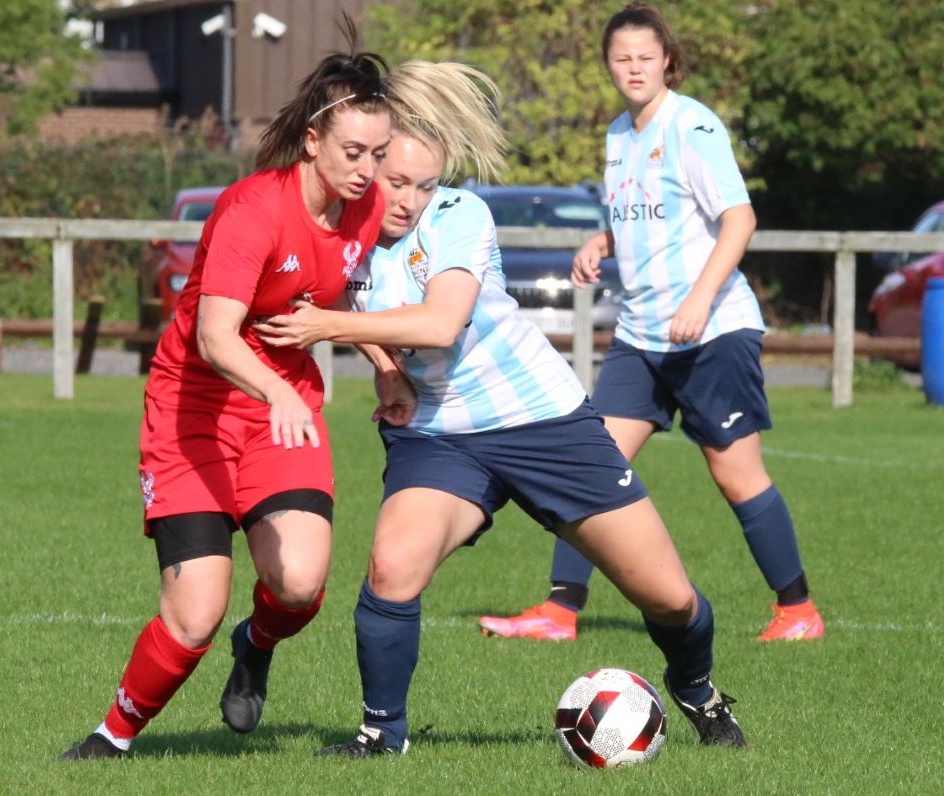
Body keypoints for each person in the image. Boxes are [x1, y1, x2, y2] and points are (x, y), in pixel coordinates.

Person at [254, 59, 747, 756]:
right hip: (439, 436)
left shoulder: (461, 213)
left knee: (667, 598)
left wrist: (328, 332)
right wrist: (387, 371)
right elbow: (335, 294)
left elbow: (438, 323)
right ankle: (380, 736)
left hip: (544, 424)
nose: (409, 199)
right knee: (393, 565)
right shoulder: (340, 230)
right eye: (397, 181)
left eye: (424, 185)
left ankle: (698, 691)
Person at [59, 33, 395, 760]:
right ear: (312, 140)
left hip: (280, 409)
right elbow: (215, 336)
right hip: (195, 414)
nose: (369, 171)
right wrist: (279, 389)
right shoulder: (252, 210)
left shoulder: (364, 211)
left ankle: (258, 643)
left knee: (300, 583)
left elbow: (336, 298)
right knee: (193, 614)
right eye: (353, 153)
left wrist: (381, 361)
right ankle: (110, 741)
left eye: (379, 154)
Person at [477, 2, 825, 645]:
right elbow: (649, 214)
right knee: (589, 459)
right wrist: (602, 243)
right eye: (622, 58)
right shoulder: (618, 134)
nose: (634, 68)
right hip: (642, 335)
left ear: (667, 59)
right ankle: (560, 612)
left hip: (712, 331)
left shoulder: (693, 127)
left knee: (735, 473)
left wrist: (699, 298)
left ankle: (797, 611)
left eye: (645, 57)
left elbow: (738, 220)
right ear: (609, 65)